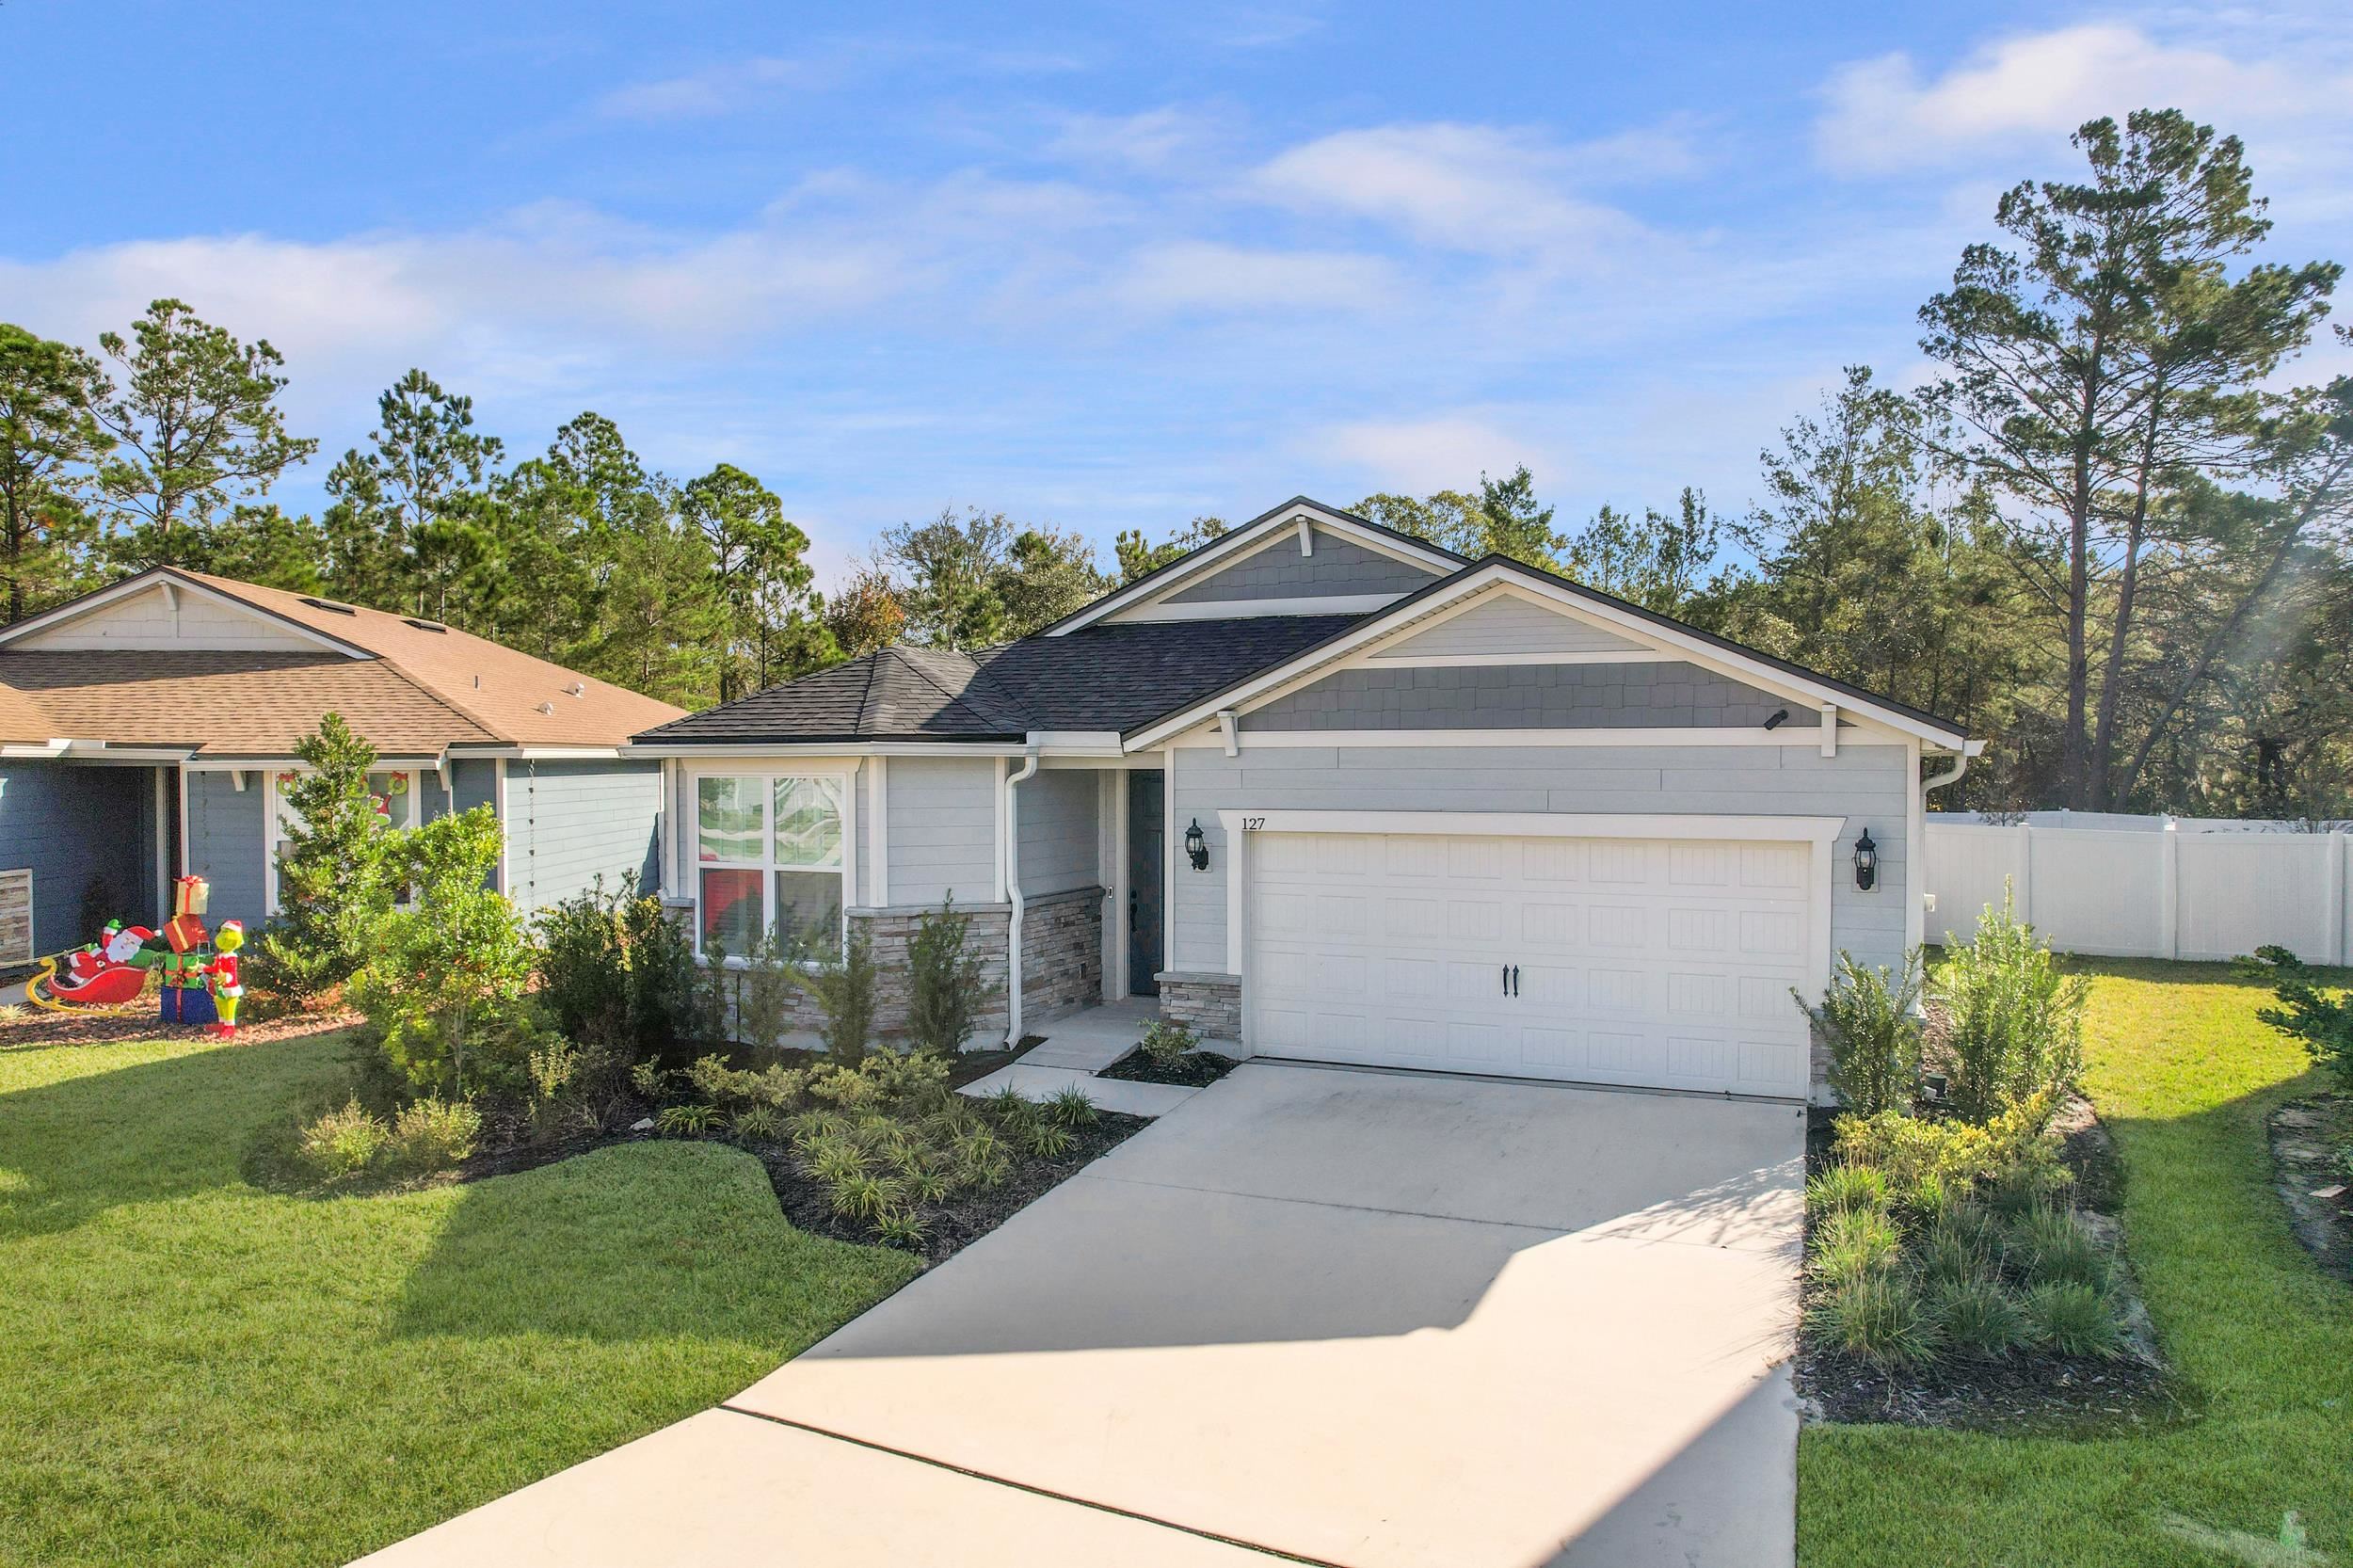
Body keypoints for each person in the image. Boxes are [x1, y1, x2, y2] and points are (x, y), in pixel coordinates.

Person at [206, 921, 246, 1038]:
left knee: (229, 1005)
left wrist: (226, 977)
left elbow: (231, 972)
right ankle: (221, 1024)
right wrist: (204, 968)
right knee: (220, 1004)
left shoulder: (231, 957)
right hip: (220, 986)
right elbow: (216, 968)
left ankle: (230, 1027)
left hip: (230, 987)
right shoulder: (220, 956)